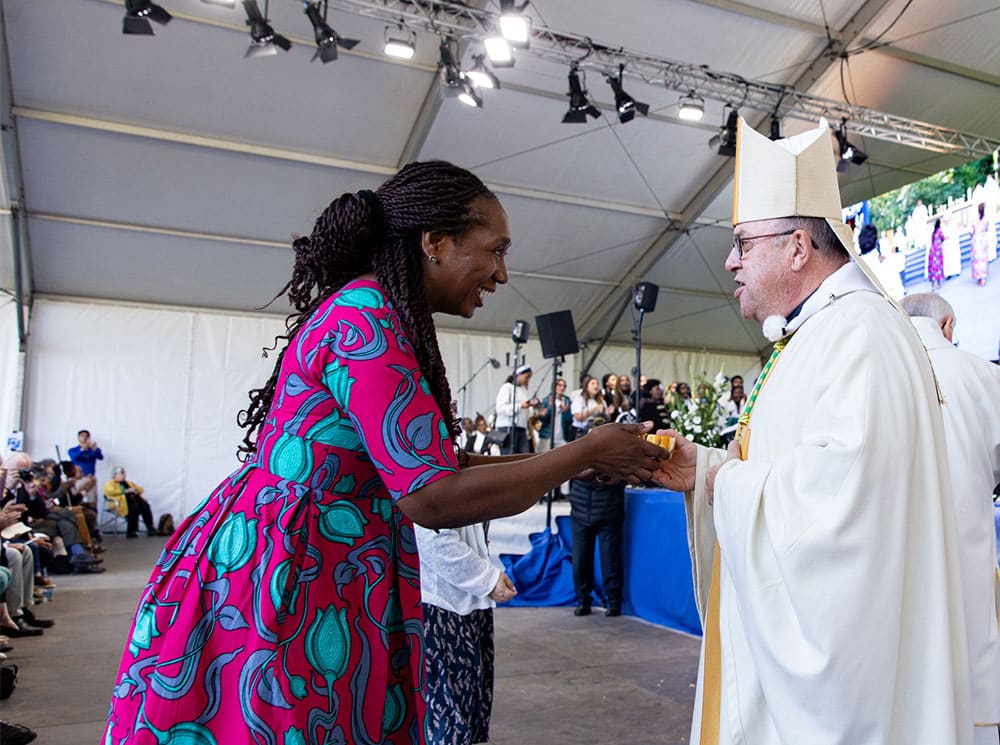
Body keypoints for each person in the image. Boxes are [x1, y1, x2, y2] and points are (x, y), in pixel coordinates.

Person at [104, 161, 669, 744]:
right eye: (495, 250)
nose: (502, 273)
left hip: (318, 560)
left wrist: (588, 454)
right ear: (435, 242)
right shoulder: (365, 322)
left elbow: (439, 464)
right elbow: (434, 496)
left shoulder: (380, 313)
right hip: (290, 574)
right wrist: (582, 455)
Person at [652, 119, 971, 745]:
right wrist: (705, 467)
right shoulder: (820, 333)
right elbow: (798, 464)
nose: (729, 260)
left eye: (744, 242)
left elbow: (841, 511)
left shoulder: (859, 334)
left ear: (798, 247)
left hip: (851, 689)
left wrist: (727, 480)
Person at [902, 293, 1000, 745]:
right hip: (968, 563)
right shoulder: (984, 375)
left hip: (899, 571)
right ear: (948, 326)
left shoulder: (881, 372)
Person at [414, 521, 515, 744]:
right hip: (440, 608)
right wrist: (486, 578)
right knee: (448, 721)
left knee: (468, 711)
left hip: (465, 605)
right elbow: (432, 539)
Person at [568, 468, 625, 618]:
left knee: (594, 559)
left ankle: (587, 601)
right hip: (598, 507)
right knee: (603, 559)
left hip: (594, 507)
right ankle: (609, 602)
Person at [494, 365, 538, 454]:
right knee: (509, 456)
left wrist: (531, 407)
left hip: (521, 428)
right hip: (508, 428)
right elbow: (500, 408)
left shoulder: (523, 390)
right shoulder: (507, 387)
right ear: (519, 375)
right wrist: (520, 406)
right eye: (526, 377)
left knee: (523, 456)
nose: (527, 380)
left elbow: (526, 411)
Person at [103, 467, 157, 538]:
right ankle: (131, 531)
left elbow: (141, 489)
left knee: (145, 506)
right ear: (115, 475)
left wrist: (135, 489)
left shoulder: (129, 483)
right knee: (133, 508)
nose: (124, 475)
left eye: (124, 473)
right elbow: (110, 491)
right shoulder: (110, 484)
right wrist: (125, 491)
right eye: (122, 473)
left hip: (134, 501)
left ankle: (150, 527)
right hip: (120, 504)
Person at [536, 377, 572, 451]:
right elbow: (543, 419)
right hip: (547, 436)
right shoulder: (547, 400)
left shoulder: (567, 400)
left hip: (562, 437)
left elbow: (570, 420)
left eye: (564, 386)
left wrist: (565, 411)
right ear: (554, 387)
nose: (562, 388)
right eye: (559, 385)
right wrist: (550, 407)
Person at [971, 202, 991, 286]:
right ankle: (983, 277)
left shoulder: (975, 220)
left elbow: (972, 231)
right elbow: (987, 229)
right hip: (983, 240)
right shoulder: (986, 220)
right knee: (983, 260)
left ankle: (979, 277)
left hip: (976, 241)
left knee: (977, 260)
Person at [929, 217, 945, 290]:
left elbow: (932, 241)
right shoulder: (939, 231)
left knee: (933, 268)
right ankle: (938, 284)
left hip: (932, 251)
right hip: (938, 251)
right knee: (938, 267)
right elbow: (943, 238)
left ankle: (933, 285)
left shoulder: (933, 232)